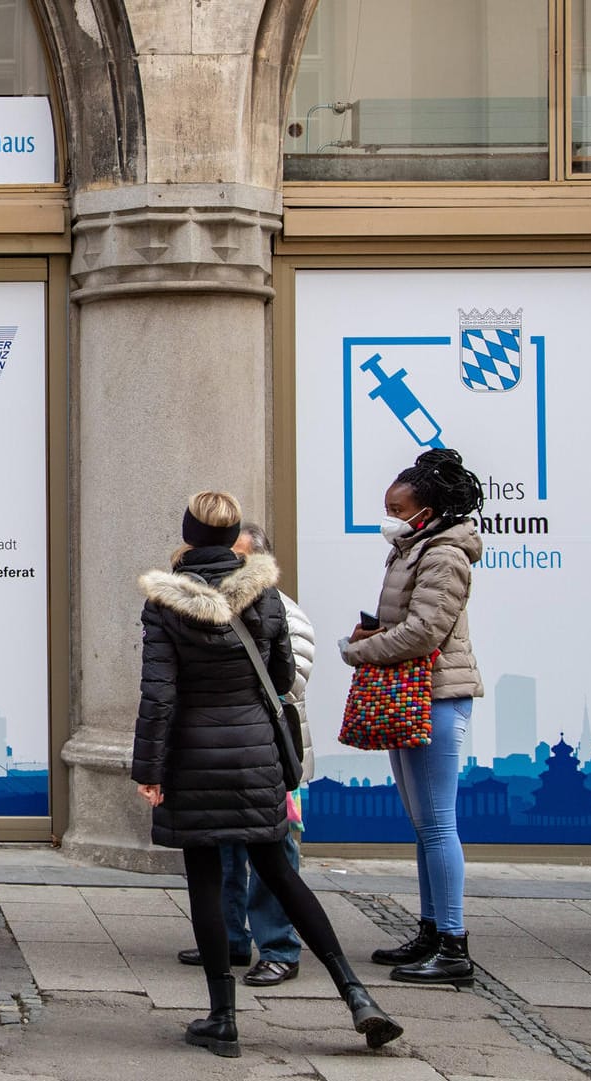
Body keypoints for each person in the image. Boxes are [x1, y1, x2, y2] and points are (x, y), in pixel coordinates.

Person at [135, 491, 400, 1058]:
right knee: (281, 873)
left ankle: (222, 1019)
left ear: (188, 535)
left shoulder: (164, 604)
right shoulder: (266, 594)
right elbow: (280, 677)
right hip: (255, 754)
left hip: (193, 758)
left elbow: (159, 695)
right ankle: (357, 996)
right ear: (234, 539)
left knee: (204, 880)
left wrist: (149, 771)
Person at [343, 448, 484, 987]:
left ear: (428, 510)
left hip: (437, 695)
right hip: (417, 693)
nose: (391, 517)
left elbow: (426, 631)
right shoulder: (414, 548)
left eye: (398, 508)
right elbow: (406, 621)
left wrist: (358, 650)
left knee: (438, 823)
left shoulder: (444, 555)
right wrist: (374, 630)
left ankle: (452, 945)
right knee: (425, 825)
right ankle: (430, 931)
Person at [175, 522, 315, 987]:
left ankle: (279, 949)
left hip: (266, 757)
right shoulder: (204, 608)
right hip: (229, 752)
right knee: (226, 851)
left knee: (276, 856)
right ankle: (232, 938)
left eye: (234, 555)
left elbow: (289, 681)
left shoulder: (280, 609)